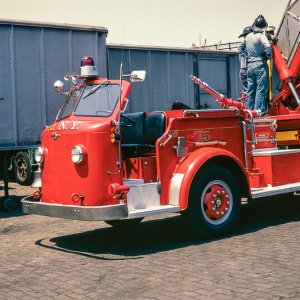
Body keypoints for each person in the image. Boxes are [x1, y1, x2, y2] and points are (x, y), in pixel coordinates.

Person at [239, 15, 272, 116]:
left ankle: (249, 111)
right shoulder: (261, 36)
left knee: (251, 89)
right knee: (261, 88)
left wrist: (246, 56)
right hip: (259, 64)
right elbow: (268, 45)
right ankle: (258, 111)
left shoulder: (248, 36)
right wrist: (268, 55)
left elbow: (240, 48)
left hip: (250, 66)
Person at [238, 26, 253, 93]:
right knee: (250, 92)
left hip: (244, 70)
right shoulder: (248, 46)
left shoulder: (242, 46)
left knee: (247, 91)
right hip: (247, 70)